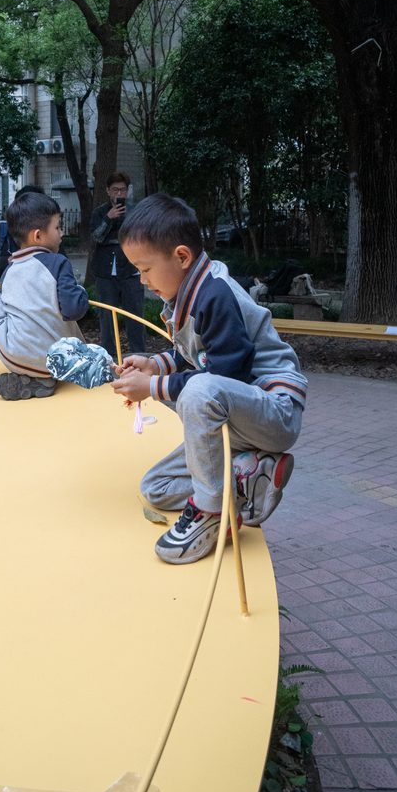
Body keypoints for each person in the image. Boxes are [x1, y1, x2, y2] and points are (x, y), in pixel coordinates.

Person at [111, 193, 306, 565]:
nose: (141, 279)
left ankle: (212, 513)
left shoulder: (215, 293)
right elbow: (200, 355)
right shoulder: (189, 293)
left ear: (181, 257)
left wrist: (151, 388)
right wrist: (156, 365)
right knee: (156, 487)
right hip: (235, 417)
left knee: (199, 390)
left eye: (146, 268)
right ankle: (246, 477)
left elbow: (221, 376)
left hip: (272, 412)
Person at [0, 190, 89, 401]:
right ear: (38, 235)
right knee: (57, 308)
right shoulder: (58, 263)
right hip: (63, 360)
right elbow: (74, 309)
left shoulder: (9, 271)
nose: (62, 233)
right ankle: (44, 377)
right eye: (57, 227)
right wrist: (81, 292)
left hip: (16, 356)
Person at [89, 171, 145, 358]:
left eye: (122, 190)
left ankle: (139, 355)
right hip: (105, 272)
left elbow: (141, 239)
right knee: (106, 317)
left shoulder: (135, 212)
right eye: (115, 190)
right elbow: (96, 237)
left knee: (135, 316)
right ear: (107, 191)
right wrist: (108, 218)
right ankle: (110, 357)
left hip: (130, 270)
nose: (119, 194)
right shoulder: (99, 212)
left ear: (127, 191)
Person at [0, 184, 45, 284]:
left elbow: (60, 263)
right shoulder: (1, 229)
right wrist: (9, 261)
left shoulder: (47, 233)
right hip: (3, 290)